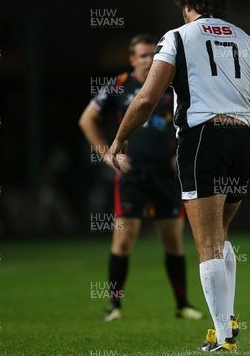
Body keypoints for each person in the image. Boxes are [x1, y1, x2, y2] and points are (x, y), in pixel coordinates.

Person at [107, 0, 250, 352]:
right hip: (244, 139)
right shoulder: (249, 40)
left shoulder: (177, 37)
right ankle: (229, 321)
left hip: (204, 137)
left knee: (206, 243)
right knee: (221, 236)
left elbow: (145, 99)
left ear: (187, 6)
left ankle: (223, 337)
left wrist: (119, 140)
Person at [78, 34, 204, 322]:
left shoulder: (172, 82)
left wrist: (182, 153)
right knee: (123, 242)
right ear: (132, 58)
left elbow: (196, 119)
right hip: (132, 174)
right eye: (143, 55)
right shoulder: (120, 84)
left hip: (167, 173)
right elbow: (87, 119)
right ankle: (114, 306)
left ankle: (182, 304)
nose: (149, 60)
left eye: (153, 55)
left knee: (173, 241)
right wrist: (107, 155)